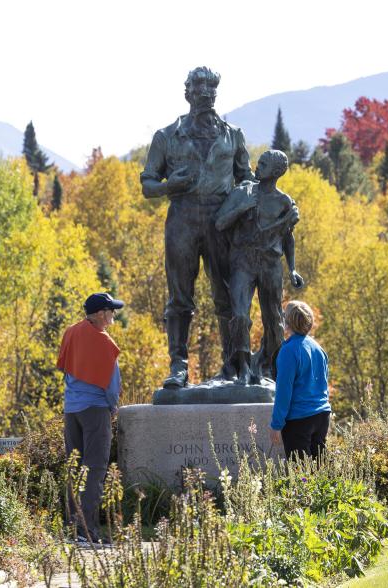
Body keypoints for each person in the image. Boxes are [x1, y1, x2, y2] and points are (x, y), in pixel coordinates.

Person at [140, 66, 254, 388]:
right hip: (182, 220)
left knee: (228, 295)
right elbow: (148, 184)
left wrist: (245, 193)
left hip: (222, 221)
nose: (206, 97)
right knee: (180, 298)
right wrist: (168, 186)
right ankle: (179, 366)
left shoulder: (233, 135)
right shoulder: (167, 136)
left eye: (211, 93)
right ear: (188, 94)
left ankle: (232, 364)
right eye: (200, 91)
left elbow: (247, 177)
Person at [215, 149, 304, 385]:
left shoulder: (283, 202)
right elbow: (220, 222)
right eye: (259, 162)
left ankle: (268, 368)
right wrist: (241, 208)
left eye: (263, 164)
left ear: (275, 172)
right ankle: (242, 367)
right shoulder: (242, 192)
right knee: (240, 315)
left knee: (274, 322)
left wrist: (292, 268)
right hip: (242, 261)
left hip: (271, 264)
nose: (257, 166)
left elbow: (288, 237)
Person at [56, 292, 124, 544]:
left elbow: (65, 369)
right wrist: (113, 407)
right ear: (99, 314)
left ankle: (73, 528)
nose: (113, 315)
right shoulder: (104, 342)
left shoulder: (71, 332)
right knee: (94, 469)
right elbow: (111, 385)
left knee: (75, 467)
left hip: (71, 410)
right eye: (110, 310)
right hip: (95, 410)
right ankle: (87, 532)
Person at [269, 301, 331, 459]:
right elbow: (324, 385)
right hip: (322, 415)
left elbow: (284, 391)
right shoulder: (318, 348)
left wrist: (276, 424)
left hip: (299, 420)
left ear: (287, 322)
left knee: (301, 474)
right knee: (320, 471)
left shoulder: (288, 350)